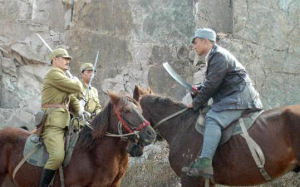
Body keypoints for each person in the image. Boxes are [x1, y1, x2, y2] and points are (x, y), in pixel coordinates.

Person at [183, 28, 263, 178]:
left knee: (212, 118)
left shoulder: (219, 56)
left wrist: (195, 104)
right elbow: (213, 82)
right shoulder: (215, 55)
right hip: (232, 95)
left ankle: (204, 164)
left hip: (239, 97)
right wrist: (199, 90)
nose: (194, 46)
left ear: (206, 41)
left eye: (196, 42)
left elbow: (212, 85)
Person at [39, 48, 83, 187]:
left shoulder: (61, 77)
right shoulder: (53, 74)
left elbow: (73, 97)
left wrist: (80, 111)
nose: (68, 61)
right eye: (64, 58)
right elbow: (76, 88)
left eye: (68, 59)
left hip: (67, 124)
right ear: (55, 60)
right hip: (53, 124)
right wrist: (76, 81)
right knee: (57, 157)